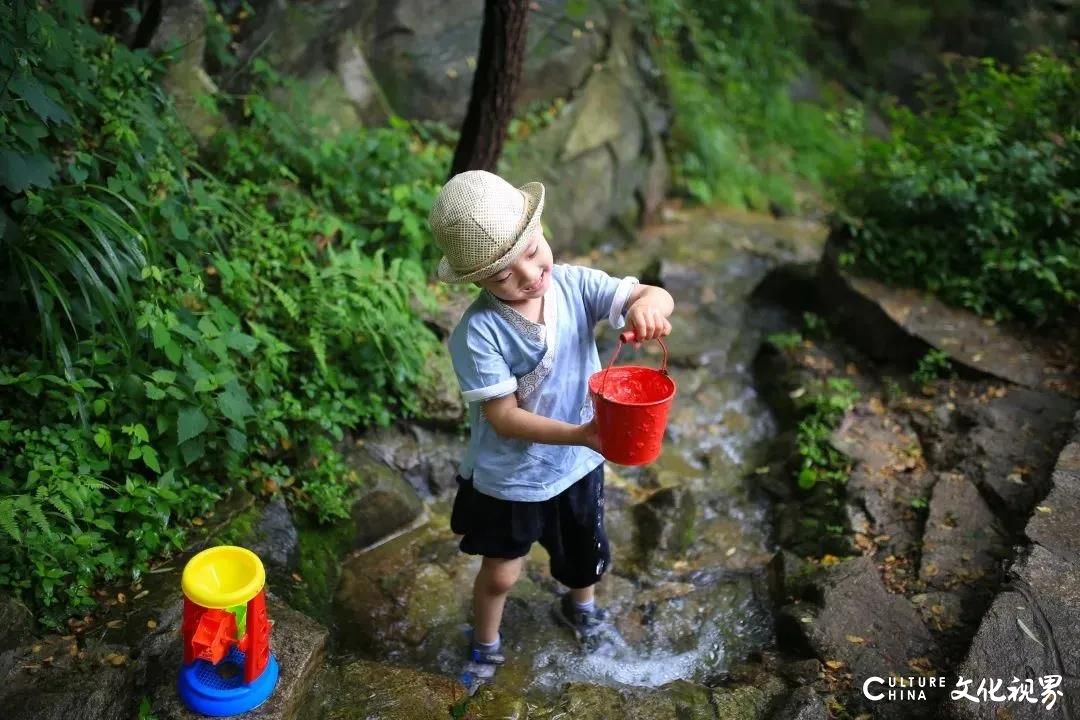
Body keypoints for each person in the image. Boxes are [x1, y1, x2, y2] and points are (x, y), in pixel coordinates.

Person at [429, 170, 674, 693]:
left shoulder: (576, 285)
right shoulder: (478, 334)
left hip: (578, 467)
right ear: (477, 281)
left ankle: (580, 607)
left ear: (543, 229)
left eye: (533, 250)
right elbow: (504, 417)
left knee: (584, 557)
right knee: (501, 573)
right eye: (501, 275)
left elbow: (646, 295)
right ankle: (486, 645)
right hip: (512, 478)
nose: (527, 274)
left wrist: (650, 305)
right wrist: (584, 434)